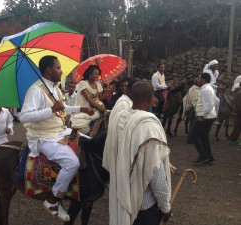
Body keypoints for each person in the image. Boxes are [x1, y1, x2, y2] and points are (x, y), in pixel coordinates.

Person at [18, 55, 94, 222]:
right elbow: (24, 117)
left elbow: (63, 109)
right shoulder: (35, 90)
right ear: (48, 70)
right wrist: (51, 109)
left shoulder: (55, 88)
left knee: (90, 143)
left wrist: (80, 108)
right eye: (58, 68)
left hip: (60, 132)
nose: (61, 71)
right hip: (43, 137)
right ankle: (52, 200)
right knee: (72, 162)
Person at [103, 81, 172, 225]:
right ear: (150, 99)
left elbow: (110, 159)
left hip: (120, 197)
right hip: (144, 206)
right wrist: (166, 207)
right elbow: (156, 174)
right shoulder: (148, 126)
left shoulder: (119, 118)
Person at [70, 65, 108, 134]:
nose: (97, 76)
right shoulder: (83, 83)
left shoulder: (98, 84)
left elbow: (100, 99)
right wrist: (99, 107)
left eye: (98, 74)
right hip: (84, 110)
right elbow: (88, 99)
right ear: (90, 74)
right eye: (95, 74)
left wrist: (108, 91)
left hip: (95, 110)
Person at [192, 73, 217, 164]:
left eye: (199, 78)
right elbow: (216, 102)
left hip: (205, 117)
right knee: (204, 137)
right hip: (209, 116)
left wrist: (202, 115)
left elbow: (209, 105)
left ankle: (203, 156)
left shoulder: (205, 90)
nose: (198, 80)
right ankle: (209, 157)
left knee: (194, 135)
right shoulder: (208, 88)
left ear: (203, 80)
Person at [183, 78, 200, 143]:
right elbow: (194, 102)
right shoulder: (196, 90)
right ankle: (190, 139)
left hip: (190, 108)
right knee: (193, 124)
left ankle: (191, 138)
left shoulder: (192, 89)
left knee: (192, 124)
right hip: (193, 109)